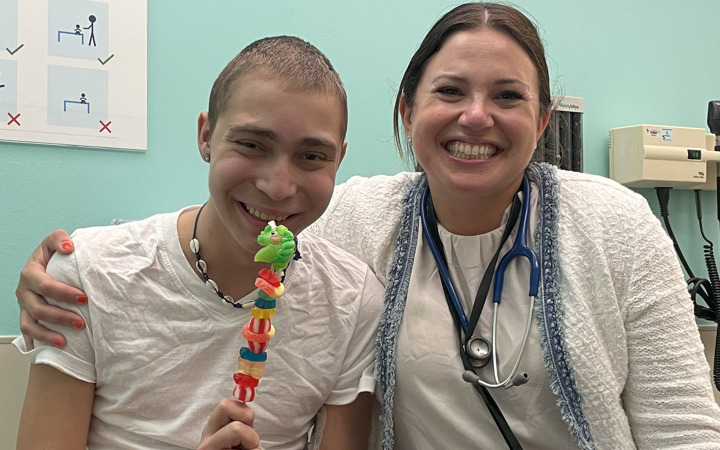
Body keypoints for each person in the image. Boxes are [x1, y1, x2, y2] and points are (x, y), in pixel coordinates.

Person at [15, 2, 720, 449]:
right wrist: (70, 262)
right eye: (450, 91)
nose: (476, 115)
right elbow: (236, 233)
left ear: (540, 123)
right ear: (409, 111)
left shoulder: (616, 226)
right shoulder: (358, 220)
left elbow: (685, 430)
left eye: (507, 96)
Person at [12, 35, 383, 450]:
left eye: (312, 156)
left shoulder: (354, 301)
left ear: (339, 161)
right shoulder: (88, 272)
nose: (277, 187)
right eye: (251, 144)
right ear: (206, 136)